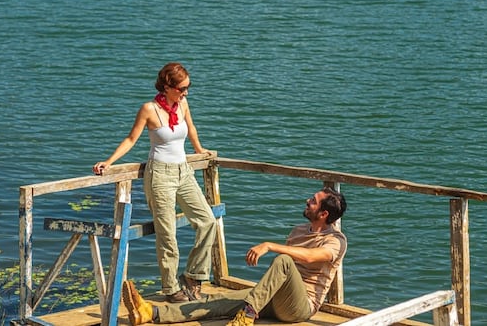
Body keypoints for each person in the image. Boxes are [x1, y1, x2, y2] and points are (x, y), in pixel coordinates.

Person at [121, 187, 348, 326]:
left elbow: (310, 257)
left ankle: (246, 317)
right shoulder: (299, 230)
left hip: (301, 307)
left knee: (284, 261)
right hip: (277, 298)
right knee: (219, 303)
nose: (307, 201)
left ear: (323, 214)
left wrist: (269, 245)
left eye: (313, 201)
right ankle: (152, 312)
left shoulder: (336, 241)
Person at [93, 62, 216, 303]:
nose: (186, 92)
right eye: (182, 88)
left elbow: (190, 128)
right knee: (167, 234)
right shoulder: (149, 109)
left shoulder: (183, 104)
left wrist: (200, 150)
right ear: (167, 86)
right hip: (160, 175)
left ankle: (193, 276)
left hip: (184, 171)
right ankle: (171, 289)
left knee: (208, 221)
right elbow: (131, 139)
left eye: (188, 87)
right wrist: (109, 161)